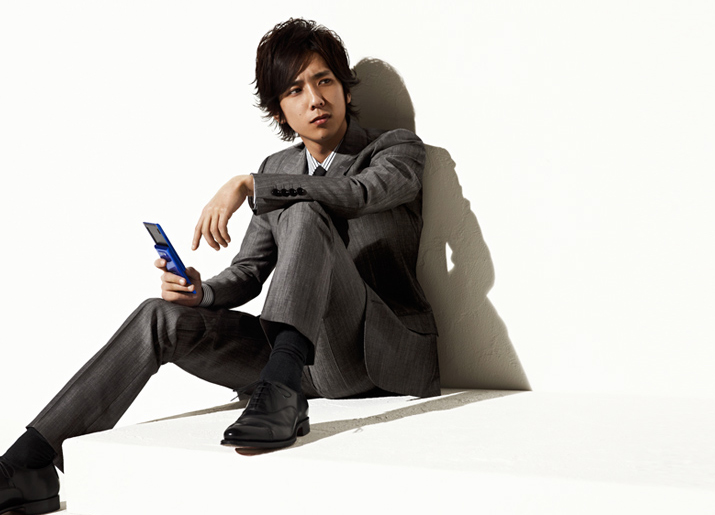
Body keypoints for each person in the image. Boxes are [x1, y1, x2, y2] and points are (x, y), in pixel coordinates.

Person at [0, 18, 439, 515]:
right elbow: (250, 270)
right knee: (159, 317)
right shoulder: (278, 167)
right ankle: (27, 463)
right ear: (279, 109)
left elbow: (360, 193)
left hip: (374, 355)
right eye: (295, 90)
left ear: (345, 89)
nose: (315, 99)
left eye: (324, 81)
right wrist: (201, 292)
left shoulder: (394, 149)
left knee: (303, 210)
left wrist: (249, 185)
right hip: (301, 363)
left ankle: (281, 389)